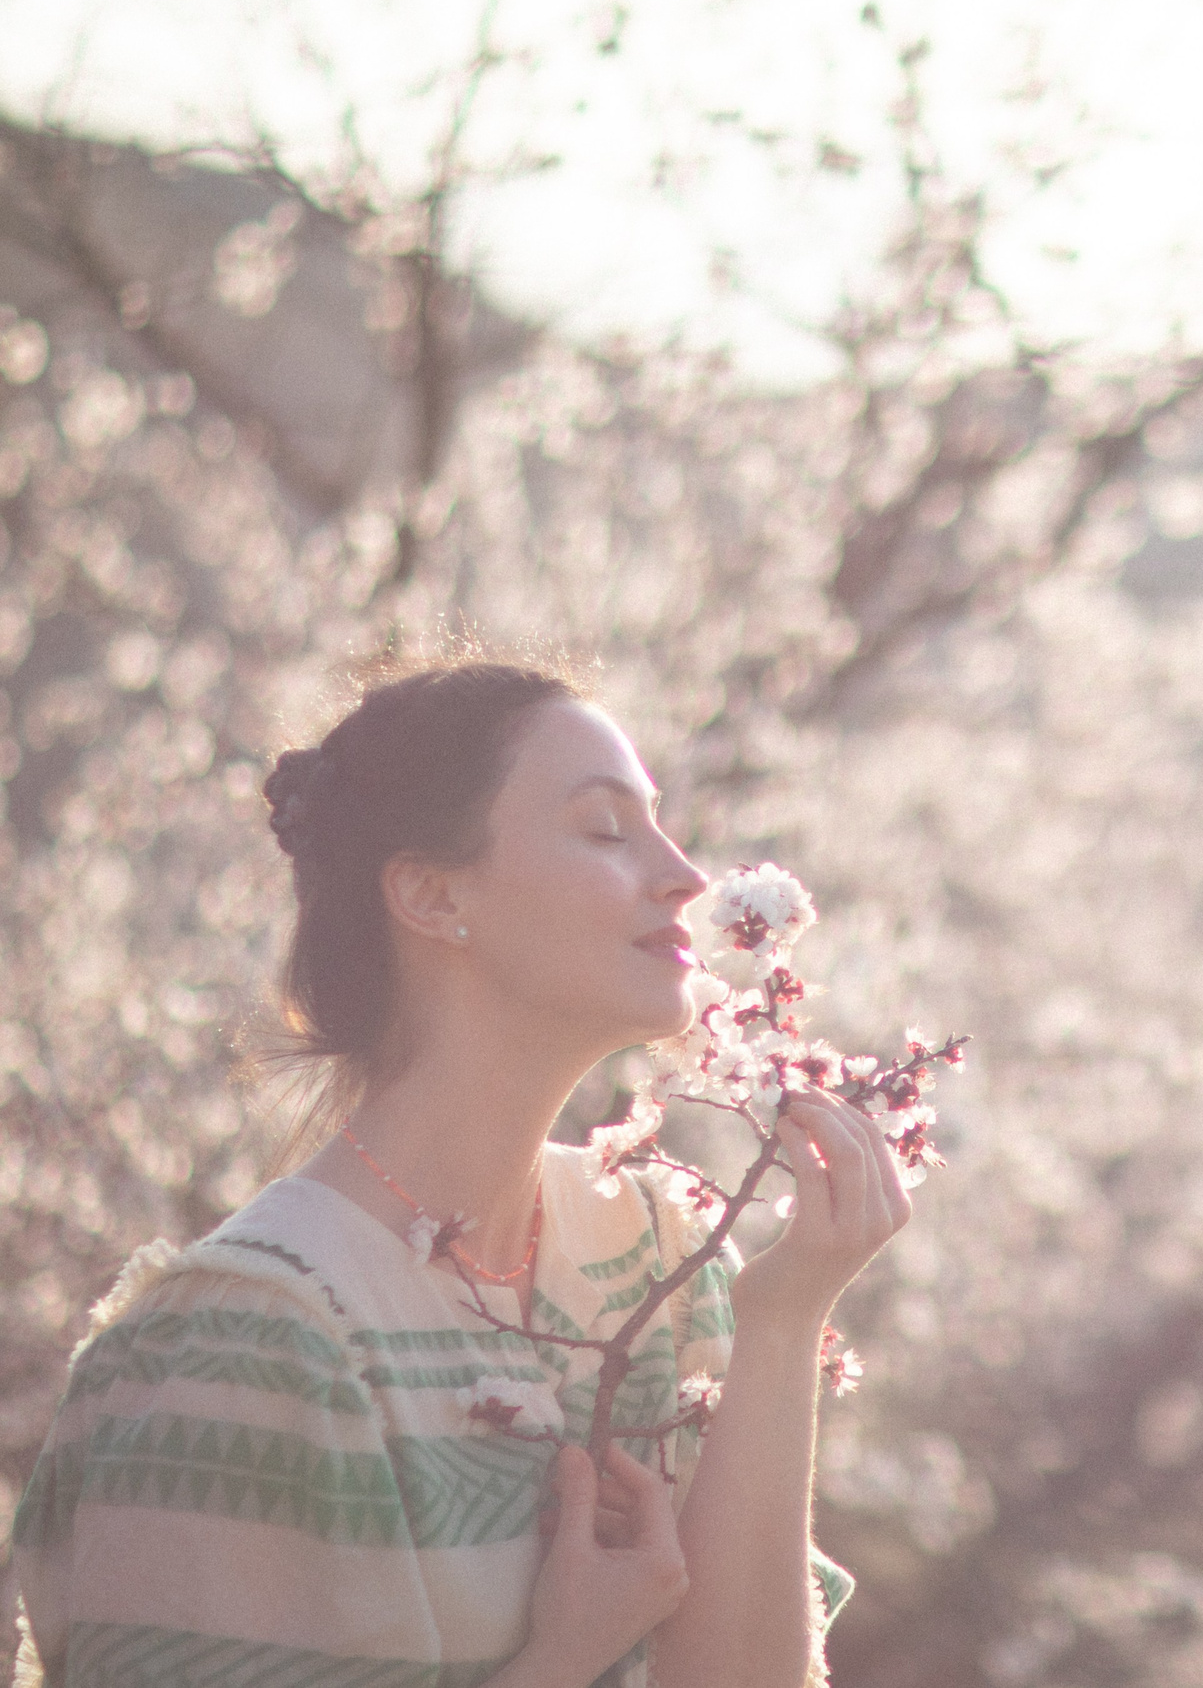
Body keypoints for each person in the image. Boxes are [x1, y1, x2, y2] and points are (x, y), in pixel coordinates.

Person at [10, 659, 911, 1687]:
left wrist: (785, 1326)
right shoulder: (241, 1341)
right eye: (607, 830)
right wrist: (563, 1657)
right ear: (433, 896)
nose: (687, 876)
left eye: (659, 824)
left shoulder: (654, 1247)